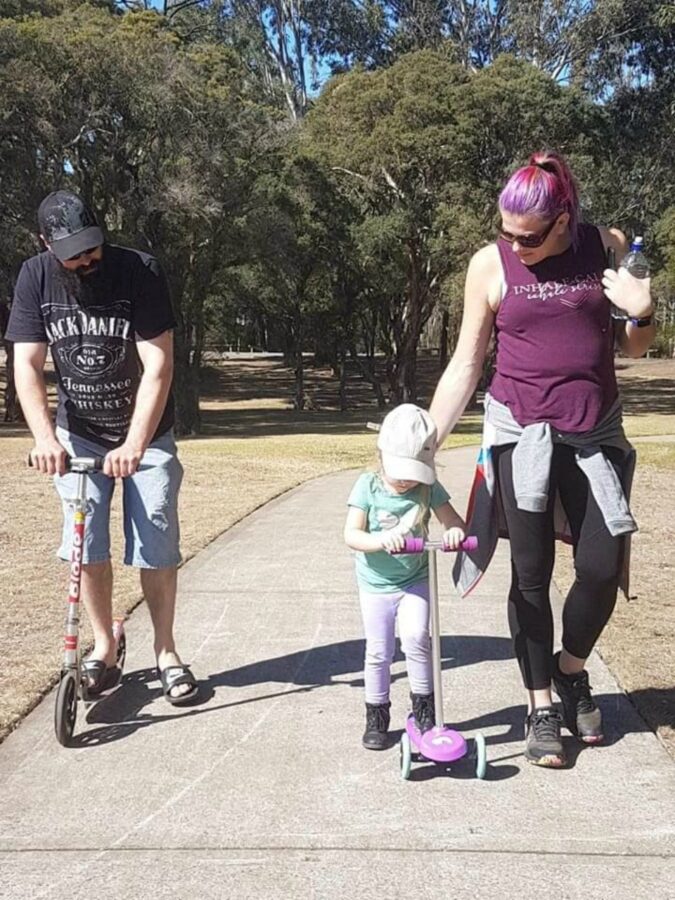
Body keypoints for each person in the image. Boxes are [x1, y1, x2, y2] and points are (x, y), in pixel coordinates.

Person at [429, 151, 654, 767]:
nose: (514, 246)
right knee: (529, 577)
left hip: (595, 434)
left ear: (562, 221)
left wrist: (642, 309)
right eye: (505, 233)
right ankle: (540, 706)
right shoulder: (489, 265)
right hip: (519, 433)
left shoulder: (602, 247)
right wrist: (427, 440)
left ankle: (569, 668)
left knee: (601, 568)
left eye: (527, 237)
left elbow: (635, 346)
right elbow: (467, 362)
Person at [6, 190, 198, 705]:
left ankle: (165, 651)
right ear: (47, 244)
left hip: (146, 433)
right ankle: (105, 645)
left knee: (156, 541)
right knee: (85, 545)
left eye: (93, 247)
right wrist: (45, 439)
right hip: (78, 433)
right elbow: (27, 365)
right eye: (74, 252)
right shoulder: (35, 278)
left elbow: (158, 366)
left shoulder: (141, 270)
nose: (87, 259)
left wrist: (136, 443)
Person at [344, 403, 466, 750]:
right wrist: (381, 540)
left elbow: (453, 521)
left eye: (414, 472)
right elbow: (351, 535)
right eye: (400, 471)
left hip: (415, 580)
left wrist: (455, 532)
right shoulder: (367, 486)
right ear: (382, 455)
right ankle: (377, 715)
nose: (406, 480)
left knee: (417, 639)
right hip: (376, 586)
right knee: (379, 651)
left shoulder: (427, 489)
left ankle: (425, 711)